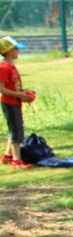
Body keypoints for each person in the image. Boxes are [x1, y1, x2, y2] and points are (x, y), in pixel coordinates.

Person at [0, 35, 34, 168]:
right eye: (16, 49)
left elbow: (12, 85)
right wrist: (18, 94)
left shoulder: (11, 66)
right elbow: (1, 88)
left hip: (15, 102)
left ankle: (7, 156)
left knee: (15, 129)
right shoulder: (4, 67)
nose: (18, 51)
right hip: (9, 103)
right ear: (9, 51)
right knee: (17, 132)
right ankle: (16, 161)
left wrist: (24, 93)